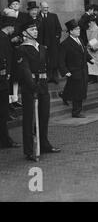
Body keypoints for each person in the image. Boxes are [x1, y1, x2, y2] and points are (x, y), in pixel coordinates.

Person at [16, 19, 61, 161]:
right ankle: (30, 150)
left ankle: (44, 144)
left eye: (36, 29)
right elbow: (25, 70)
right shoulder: (21, 49)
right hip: (30, 87)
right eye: (32, 30)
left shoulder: (41, 47)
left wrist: (43, 84)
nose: (35, 31)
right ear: (25, 33)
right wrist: (33, 87)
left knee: (43, 116)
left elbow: (45, 67)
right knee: (29, 119)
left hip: (43, 86)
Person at [59, 19, 93, 118]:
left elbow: (84, 52)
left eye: (79, 28)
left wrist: (90, 59)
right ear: (71, 31)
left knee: (80, 89)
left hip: (83, 69)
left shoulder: (80, 40)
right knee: (78, 91)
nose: (79, 30)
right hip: (74, 70)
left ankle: (64, 95)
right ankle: (76, 112)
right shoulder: (65, 44)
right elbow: (61, 60)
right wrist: (65, 71)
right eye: (76, 29)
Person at [0, 16, 21, 149]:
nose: (14, 29)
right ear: (9, 26)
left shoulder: (4, 38)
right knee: (3, 113)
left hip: (4, 79)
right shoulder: (2, 38)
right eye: (13, 27)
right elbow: (3, 58)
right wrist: (6, 74)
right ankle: (5, 140)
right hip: (2, 81)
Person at [38, 1, 62, 84]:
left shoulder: (53, 16)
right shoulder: (37, 17)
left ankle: (55, 77)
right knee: (44, 60)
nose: (46, 9)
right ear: (40, 7)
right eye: (44, 7)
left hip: (53, 43)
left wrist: (56, 38)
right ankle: (47, 77)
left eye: (47, 7)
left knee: (54, 60)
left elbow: (59, 29)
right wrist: (41, 44)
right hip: (42, 44)